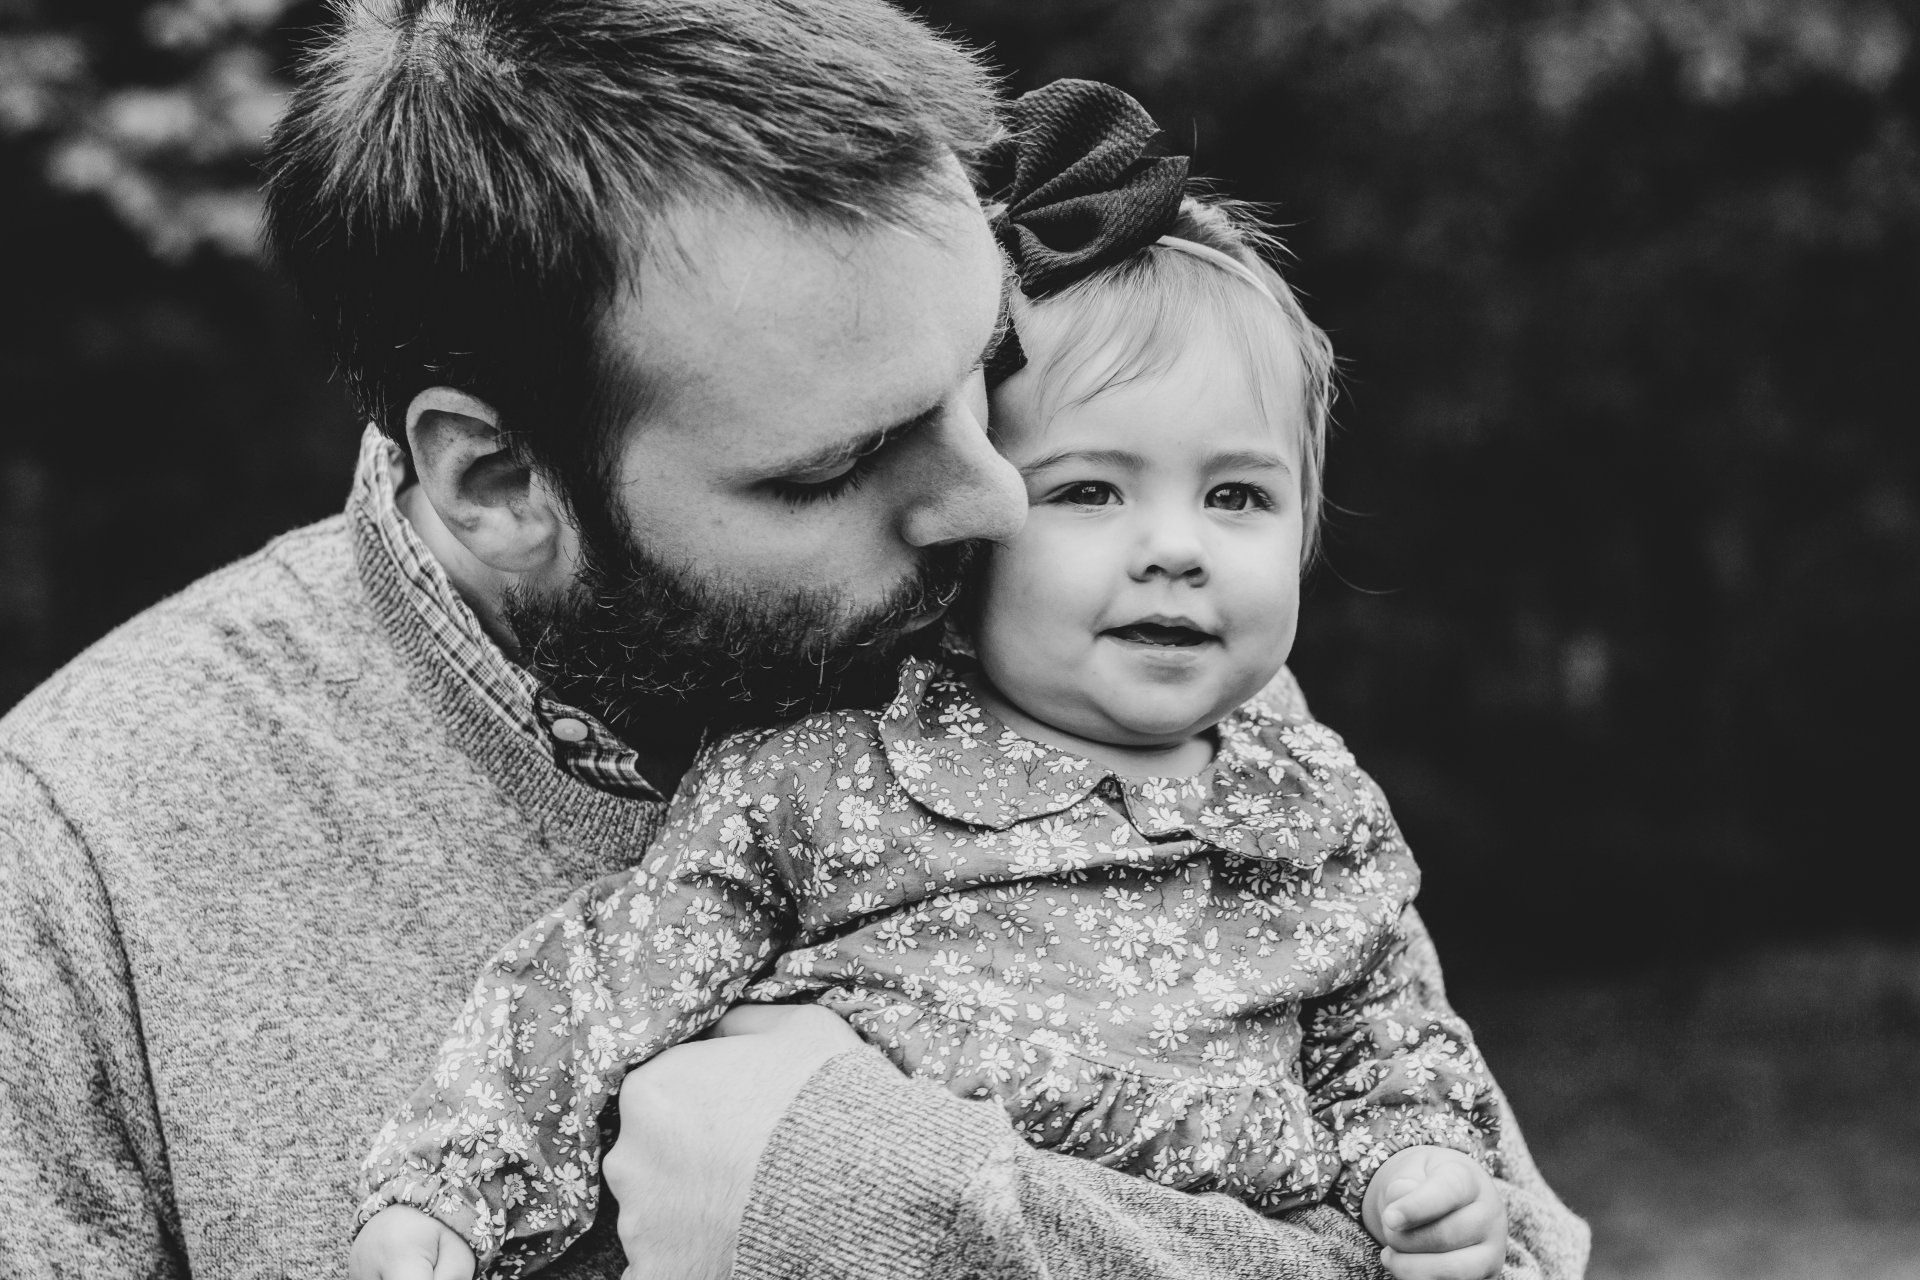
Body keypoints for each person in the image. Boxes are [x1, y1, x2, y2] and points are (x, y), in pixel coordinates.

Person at [0, 3, 1587, 1278]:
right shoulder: (81, 862)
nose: (986, 505)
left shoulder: (1134, 697)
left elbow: (1494, 1243)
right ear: (497, 481)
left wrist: (893, 1202)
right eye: (837, 465)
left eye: (986, 378)